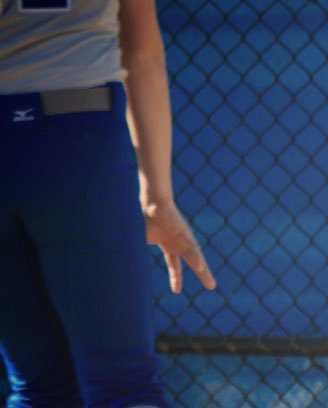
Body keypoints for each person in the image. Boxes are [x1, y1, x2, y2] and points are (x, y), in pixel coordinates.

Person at [0, 1, 216, 406]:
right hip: (79, 137)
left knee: (39, 386)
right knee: (124, 385)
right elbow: (143, 53)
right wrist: (157, 196)